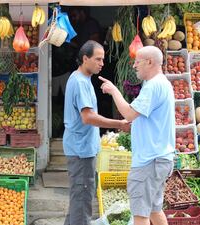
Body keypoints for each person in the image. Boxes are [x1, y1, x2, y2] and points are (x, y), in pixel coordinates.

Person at [99, 46, 175, 225]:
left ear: (150, 62)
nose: (134, 66)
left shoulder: (154, 85)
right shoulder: (161, 83)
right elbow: (149, 119)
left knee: (140, 215)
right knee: (155, 210)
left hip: (149, 161)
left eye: (137, 62)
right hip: (159, 159)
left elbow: (129, 113)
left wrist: (114, 91)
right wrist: (136, 126)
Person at [63, 40, 130, 225]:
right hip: (81, 150)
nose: (102, 63)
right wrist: (119, 123)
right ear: (85, 59)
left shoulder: (82, 79)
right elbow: (88, 117)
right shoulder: (80, 82)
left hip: (82, 147)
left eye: (103, 59)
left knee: (79, 197)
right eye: (98, 59)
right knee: (82, 200)